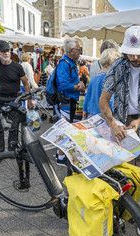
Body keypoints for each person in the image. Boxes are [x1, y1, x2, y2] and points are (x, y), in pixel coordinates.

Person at [99, 26, 140, 213]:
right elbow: (103, 100)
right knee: (122, 167)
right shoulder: (118, 64)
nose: (134, 58)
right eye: (130, 53)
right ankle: (123, 209)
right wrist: (112, 124)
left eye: (138, 53)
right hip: (122, 122)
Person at [55, 38, 85, 166]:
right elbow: (64, 85)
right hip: (66, 101)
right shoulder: (64, 63)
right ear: (72, 50)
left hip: (70, 101)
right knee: (65, 129)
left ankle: (60, 154)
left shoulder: (70, 62)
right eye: (79, 50)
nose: (80, 52)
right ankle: (61, 158)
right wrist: (79, 86)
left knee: (67, 128)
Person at [82, 48, 120, 120]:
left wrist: (84, 116)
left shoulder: (95, 76)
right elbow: (110, 101)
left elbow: (87, 98)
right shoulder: (110, 77)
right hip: (104, 117)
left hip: (91, 116)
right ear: (110, 61)